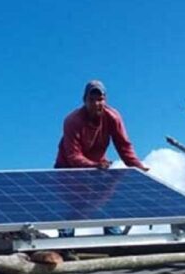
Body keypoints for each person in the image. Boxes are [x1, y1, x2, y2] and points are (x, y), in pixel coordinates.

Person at [54, 80, 148, 237]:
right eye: (92, 100)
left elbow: (124, 146)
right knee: (71, 208)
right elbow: (73, 156)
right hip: (69, 169)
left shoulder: (113, 117)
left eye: (100, 99)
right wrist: (94, 165)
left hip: (98, 168)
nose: (97, 103)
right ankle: (65, 247)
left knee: (106, 203)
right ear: (85, 100)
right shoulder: (72, 121)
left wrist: (139, 167)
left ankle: (114, 242)